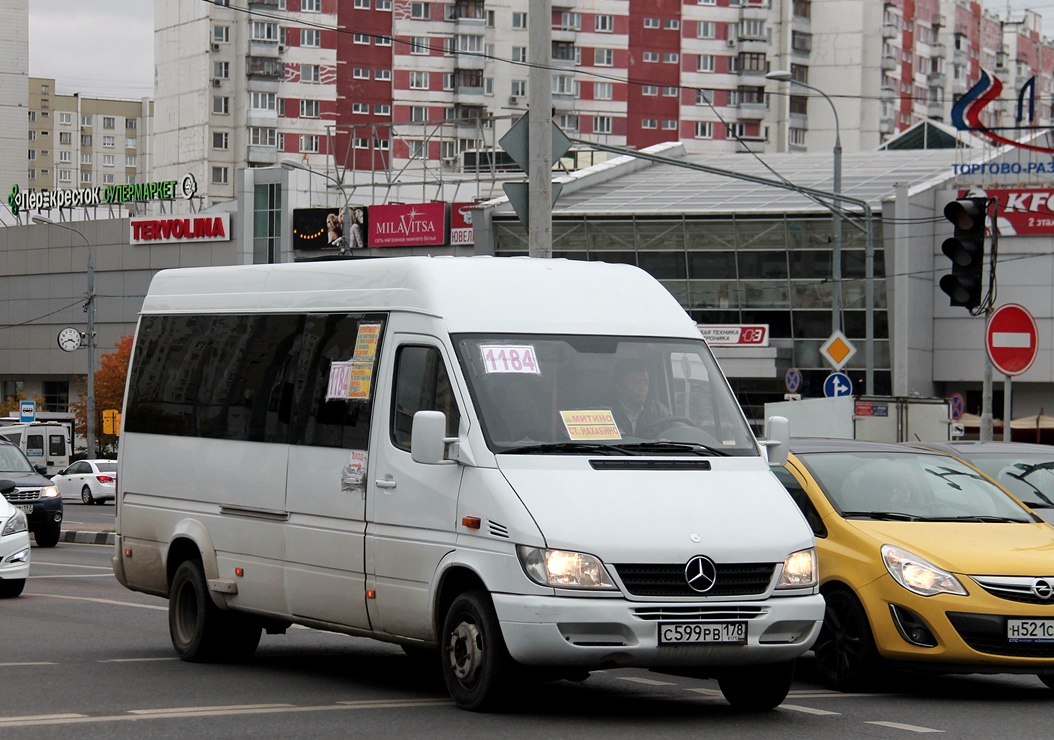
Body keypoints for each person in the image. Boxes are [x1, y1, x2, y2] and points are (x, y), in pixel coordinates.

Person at [610, 359, 670, 437]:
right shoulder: (604, 411)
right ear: (619, 385)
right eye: (636, 382)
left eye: (646, 383)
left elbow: (673, 435)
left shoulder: (659, 412)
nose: (643, 388)